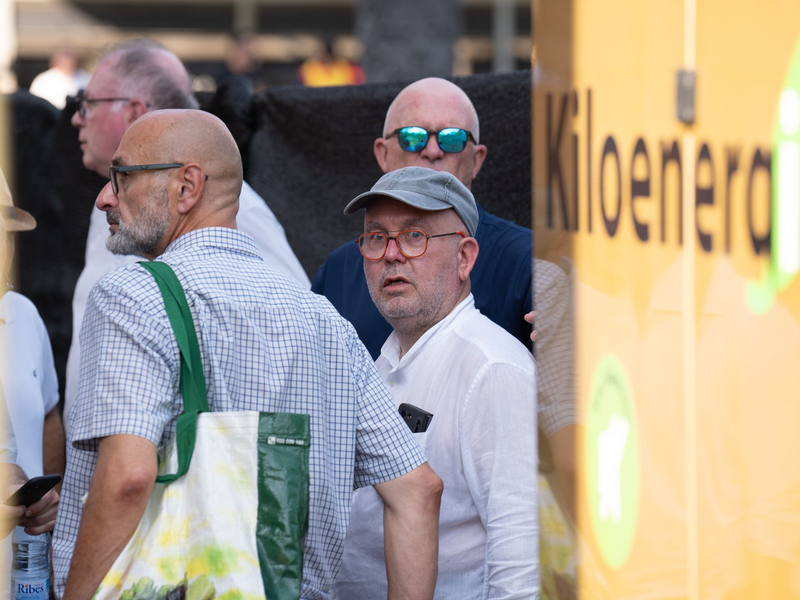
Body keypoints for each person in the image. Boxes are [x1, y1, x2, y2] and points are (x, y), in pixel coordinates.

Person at [53, 109, 443, 599]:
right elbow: (418, 491)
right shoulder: (327, 323)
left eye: (122, 176)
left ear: (186, 187)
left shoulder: (134, 296)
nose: (105, 197)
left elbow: (129, 475)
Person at [311, 76, 577, 508]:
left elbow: (568, 436)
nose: (432, 149)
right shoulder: (340, 270)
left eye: (452, 139)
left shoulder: (535, 266)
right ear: (382, 153)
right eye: (413, 136)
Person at [64, 39, 310, 433]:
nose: (77, 118)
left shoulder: (225, 203)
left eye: (88, 103)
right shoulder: (110, 202)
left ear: (133, 111)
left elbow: (292, 324)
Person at [335, 166, 538, 598]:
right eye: (376, 237)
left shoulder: (492, 368)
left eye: (414, 235)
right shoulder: (377, 364)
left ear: (465, 257)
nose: (391, 254)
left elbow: (522, 559)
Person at [0, 171, 61, 539]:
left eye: (7, 236)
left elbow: (49, 414)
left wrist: (52, 512)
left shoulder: (22, 313)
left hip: (28, 574)